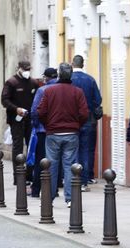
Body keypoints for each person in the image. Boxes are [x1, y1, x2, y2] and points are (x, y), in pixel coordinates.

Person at [37, 63, 88, 207]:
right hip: (71, 133)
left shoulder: (49, 91)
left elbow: (40, 112)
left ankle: (50, 197)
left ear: (59, 74)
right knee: (69, 165)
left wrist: (48, 124)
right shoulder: (77, 92)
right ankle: (70, 199)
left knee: (51, 165)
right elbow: (84, 113)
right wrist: (77, 125)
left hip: (53, 133)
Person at [1, 60, 40, 185]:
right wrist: (16, 109)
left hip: (30, 119)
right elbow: (4, 100)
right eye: (24, 69)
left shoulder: (33, 83)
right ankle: (17, 176)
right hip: (16, 120)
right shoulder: (11, 82)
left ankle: (29, 175)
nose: (26, 72)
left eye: (28, 69)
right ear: (19, 68)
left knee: (31, 147)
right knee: (18, 147)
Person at [71, 55, 102, 192]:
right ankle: (85, 179)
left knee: (72, 150)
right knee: (86, 150)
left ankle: (73, 178)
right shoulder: (90, 80)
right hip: (88, 119)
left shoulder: (68, 79)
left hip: (71, 120)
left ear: (72, 64)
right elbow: (98, 100)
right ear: (83, 64)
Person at [29, 67, 58, 197]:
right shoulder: (62, 89)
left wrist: (36, 125)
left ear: (46, 78)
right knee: (56, 161)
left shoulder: (42, 90)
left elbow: (35, 111)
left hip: (43, 130)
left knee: (40, 160)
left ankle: (36, 189)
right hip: (58, 130)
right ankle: (54, 189)